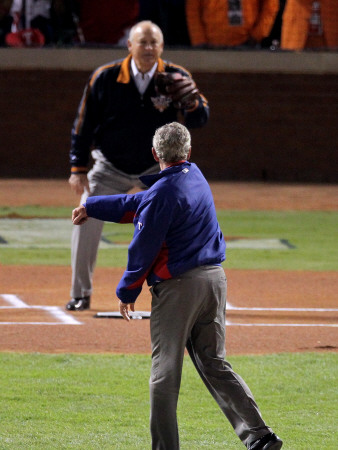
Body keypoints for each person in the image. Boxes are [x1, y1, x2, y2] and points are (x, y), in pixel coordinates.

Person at [71, 122, 283, 450]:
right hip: (214, 282)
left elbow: (143, 247)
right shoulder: (194, 176)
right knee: (214, 363)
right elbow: (140, 203)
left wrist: (127, 290)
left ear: (155, 153)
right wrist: (93, 207)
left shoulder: (162, 193)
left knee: (164, 373)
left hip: (179, 290)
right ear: (187, 151)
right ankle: (260, 435)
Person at [66, 20, 209, 311]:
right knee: (86, 214)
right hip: (110, 165)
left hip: (160, 170)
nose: (148, 48)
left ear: (161, 47)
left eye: (154, 42)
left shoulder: (176, 76)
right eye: (142, 42)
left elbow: (201, 119)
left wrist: (193, 105)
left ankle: (175, 288)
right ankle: (81, 293)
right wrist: (78, 168)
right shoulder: (104, 78)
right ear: (129, 45)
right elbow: (83, 124)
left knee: (179, 221)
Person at [185, 0, 279, 48]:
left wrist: (257, 35)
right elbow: (192, 9)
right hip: (211, 46)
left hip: (249, 46)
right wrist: (200, 41)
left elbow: (270, 6)